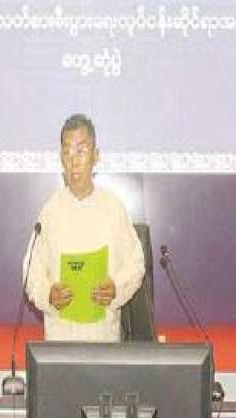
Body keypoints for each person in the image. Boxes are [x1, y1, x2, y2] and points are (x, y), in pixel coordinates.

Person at [24, 114, 145, 341]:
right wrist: (49, 295)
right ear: (61, 159)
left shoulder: (114, 209)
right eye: (67, 152)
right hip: (60, 339)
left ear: (95, 156)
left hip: (103, 337)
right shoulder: (50, 212)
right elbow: (31, 272)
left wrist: (116, 287)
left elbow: (136, 264)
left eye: (81, 151)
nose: (74, 161)